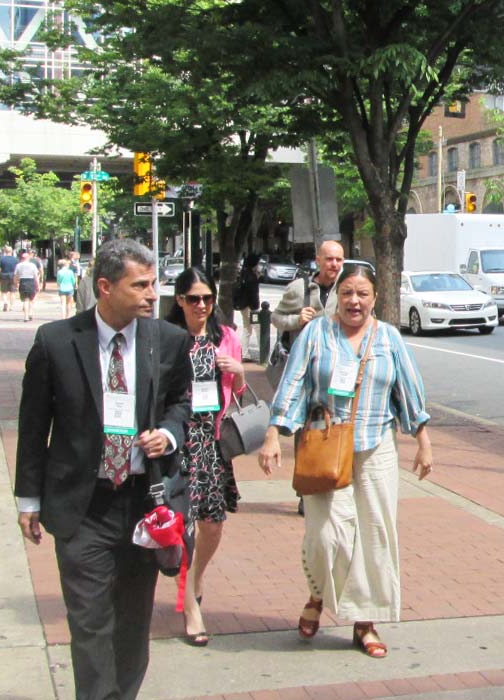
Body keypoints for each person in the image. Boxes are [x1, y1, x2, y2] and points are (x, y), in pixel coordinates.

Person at [15, 238, 192, 700]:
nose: (154, 294)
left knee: (132, 623)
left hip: (142, 504)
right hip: (82, 505)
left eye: (155, 283)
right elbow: (33, 427)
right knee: (90, 622)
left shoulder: (168, 341)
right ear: (105, 287)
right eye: (141, 285)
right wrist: (28, 500)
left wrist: (168, 434)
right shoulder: (56, 342)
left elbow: (181, 403)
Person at [258, 263, 432, 659]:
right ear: (337, 295)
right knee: (326, 535)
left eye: (363, 293)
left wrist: (423, 440)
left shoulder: (387, 337)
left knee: (374, 535)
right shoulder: (316, 332)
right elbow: (294, 383)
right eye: (348, 292)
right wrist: (273, 434)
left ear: (375, 297)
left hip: (376, 448)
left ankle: (364, 621)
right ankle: (318, 593)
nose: (355, 301)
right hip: (324, 445)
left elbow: (409, 389)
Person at [164, 268, 246, 647]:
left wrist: (239, 371)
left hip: (211, 441)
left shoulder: (225, 337)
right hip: (179, 440)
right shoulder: (166, 339)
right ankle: (188, 604)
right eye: (194, 298)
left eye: (208, 299)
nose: (202, 305)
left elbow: (239, 392)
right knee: (181, 525)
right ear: (179, 300)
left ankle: (195, 583)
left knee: (212, 523)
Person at [272, 240, 344, 349]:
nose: (334, 264)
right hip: (303, 360)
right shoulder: (297, 288)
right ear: (318, 261)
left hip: (335, 359)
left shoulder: (347, 290)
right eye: (329, 259)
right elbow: (276, 318)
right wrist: (297, 320)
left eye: (338, 260)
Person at [233, 254, 263, 360]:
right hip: (251, 308)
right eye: (258, 263)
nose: (259, 265)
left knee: (247, 329)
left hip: (243, 306)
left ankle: (244, 353)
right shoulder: (252, 277)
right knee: (258, 328)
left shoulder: (244, 274)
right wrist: (256, 308)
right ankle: (264, 353)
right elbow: (253, 295)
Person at [14, 250, 42, 322]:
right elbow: (36, 276)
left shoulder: (18, 265)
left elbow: (16, 276)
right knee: (32, 300)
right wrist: (38, 285)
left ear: (22, 258)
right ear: (28, 258)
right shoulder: (32, 265)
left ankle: (25, 317)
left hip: (23, 282)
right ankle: (30, 314)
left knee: (25, 300)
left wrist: (16, 283)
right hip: (31, 282)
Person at [0, 245, 17, 312]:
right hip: (13, 276)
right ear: (11, 251)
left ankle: (5, 302)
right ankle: (11, 307)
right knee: (13, 292)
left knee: (4, 291)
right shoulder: (15, 259)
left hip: (4, 276)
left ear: (5, 251)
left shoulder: (2, 259)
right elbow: (17, 269)